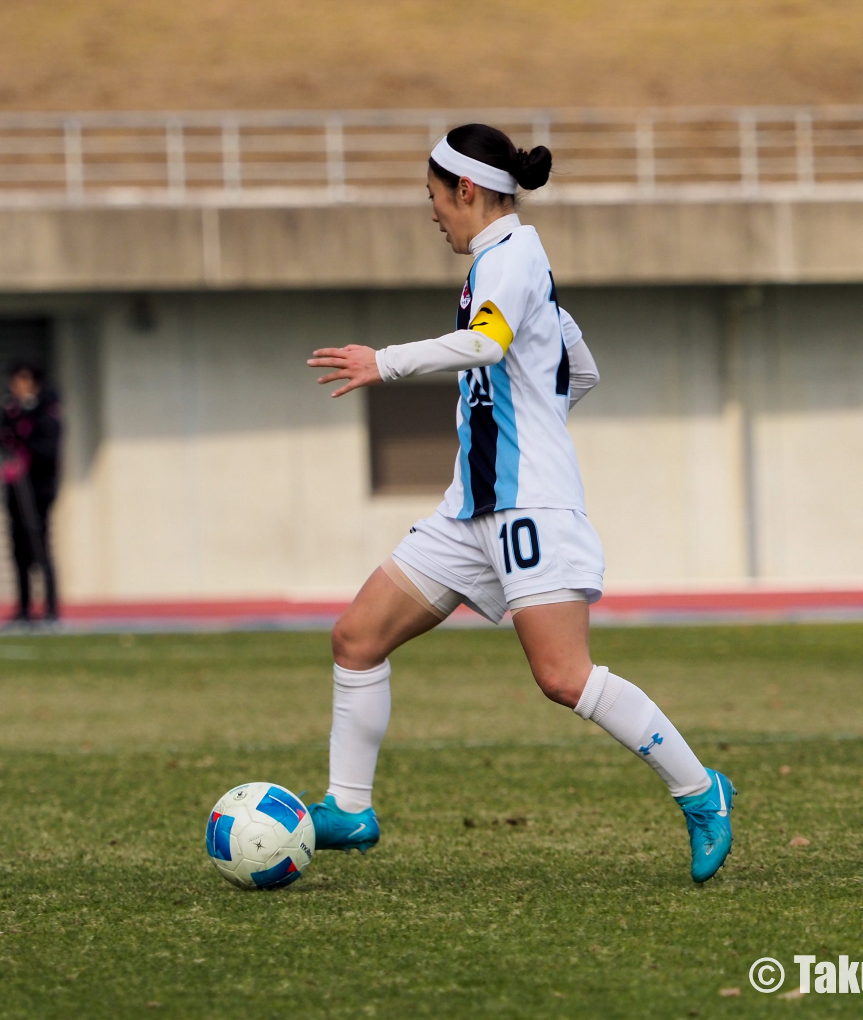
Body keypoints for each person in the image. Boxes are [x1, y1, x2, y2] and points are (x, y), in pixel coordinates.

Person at [304, 124, 736, 883]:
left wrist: (386, 362)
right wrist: (536, 406)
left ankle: (703, 792)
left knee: (564, 677)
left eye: (434, 197)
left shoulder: (512, 257)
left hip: (528, 506)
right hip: (469, 507)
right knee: (356, 637)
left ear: (465, 190)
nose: (432, 212)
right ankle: (348, 807)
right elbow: (581, 368)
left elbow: (488, 345)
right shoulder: (508, 261)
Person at [0, 358, 61, 624]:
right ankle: (23, 608)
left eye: (22, 380)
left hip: (38, 489)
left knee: (40, 545)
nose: (17, 386)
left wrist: (25, 445)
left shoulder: (47, 410)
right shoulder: (9, 409)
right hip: (14, 488)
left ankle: (51, 608)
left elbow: (48, 448)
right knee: (18, 548)